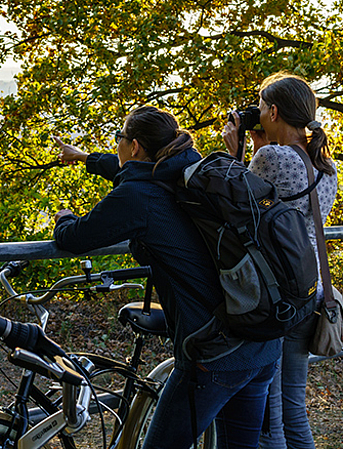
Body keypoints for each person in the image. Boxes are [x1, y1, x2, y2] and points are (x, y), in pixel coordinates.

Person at [53, 105, 281, 449]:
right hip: (260, 340)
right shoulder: (192, 172)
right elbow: (128, 172)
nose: (117, 146)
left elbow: (74, 238)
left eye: (119, 139)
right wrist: (84, 158)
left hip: (214, 353)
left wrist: (64, 218)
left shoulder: (138, 197)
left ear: (134, 147)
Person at [222, 72, 338, 449]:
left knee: (269, 420)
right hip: (313, 289)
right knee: (294, 409)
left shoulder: (269, 156)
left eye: (259, 106)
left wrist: (234, 152)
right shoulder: (326, 165)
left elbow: (235, 205)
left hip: (276, 296)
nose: (256, 112)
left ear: (273, 110)